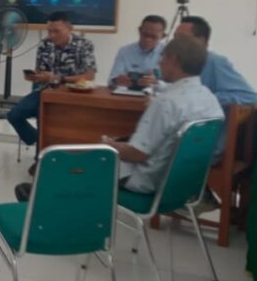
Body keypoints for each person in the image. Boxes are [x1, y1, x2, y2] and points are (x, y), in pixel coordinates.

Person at [15, 37, 223, 201]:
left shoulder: (166, 103)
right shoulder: (210, 100)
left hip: (146, 180)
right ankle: (49, 195)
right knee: (102, 151)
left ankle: (46, 199)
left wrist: (109, 144)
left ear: (174, 60)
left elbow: (137, 154)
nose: (160, 62)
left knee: (84, 157)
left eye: (163, 57)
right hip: (181, 184)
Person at [7, 11, 96, 173]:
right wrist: (35, 77)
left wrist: (58, 78)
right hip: (46, 91)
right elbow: (41, 72)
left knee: (44, 114)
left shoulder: (84, 45)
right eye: (49, 31)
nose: (52, 35)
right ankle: (40, 141)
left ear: (69, 29)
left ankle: (41, 159)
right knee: (14, 115)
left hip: (73, 93)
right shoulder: (44, 44)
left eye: (56, 31)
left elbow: (89, 76)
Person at [174, 16, 257, 157]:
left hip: (200, 142)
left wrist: (206, 99)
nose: (175, 43)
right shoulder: (176, 61)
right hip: (178, 131)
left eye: (181, 38)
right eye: (175, 37)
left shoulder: (214, 62)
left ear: (201, 41)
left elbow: (250, 96)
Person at [109, 15, 166, 88]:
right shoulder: (125, 51)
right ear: (139, 30)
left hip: (158, 94)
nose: (148, 39)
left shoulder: (169, 54)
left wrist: (157, 83)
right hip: (127, 93)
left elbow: (176, 86)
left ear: (163, 36)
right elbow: (111, 81)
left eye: (153, 37)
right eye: (145, 35)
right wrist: (116, 80)